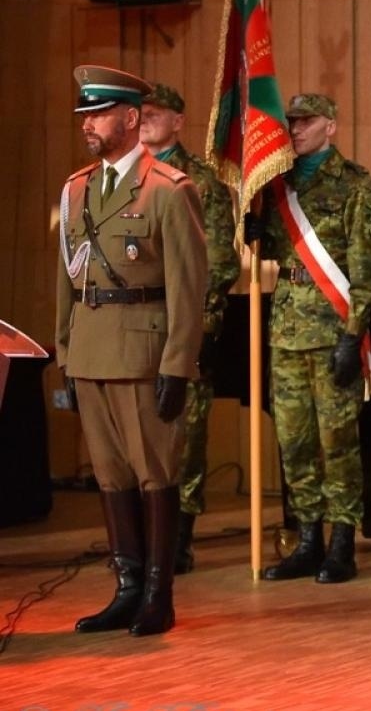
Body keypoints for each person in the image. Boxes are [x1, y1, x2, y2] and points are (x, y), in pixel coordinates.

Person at [56, 65, 207, 636]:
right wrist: (66, 355)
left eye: (96, 115)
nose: (88, 125)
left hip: (145, 354)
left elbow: (189, 286)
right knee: (110, 476)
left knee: (154, 473)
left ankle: (156, 595)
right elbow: (66, 284)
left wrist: (177, 363)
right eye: (83, 117)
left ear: (131, 119)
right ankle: (125, 586)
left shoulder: (169, 189)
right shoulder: (76, 191)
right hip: (92, 351)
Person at [252, 93, 371, 584]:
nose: (296, 129)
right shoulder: (277, 184)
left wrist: (354, 337)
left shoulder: (355, 186)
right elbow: (272, 252)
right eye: (292, 122)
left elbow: (368, 272)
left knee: (338, 443)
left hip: (332, 328)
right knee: (295, 442)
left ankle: (342, 544)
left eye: (306, 121)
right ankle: (307, 540)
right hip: (286, 329)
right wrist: (251, 222)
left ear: (330, 125)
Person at [139, 82, 240, 574]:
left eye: (158, 112)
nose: (147, 119)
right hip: (132, 329)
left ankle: (178, 537)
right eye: (142, 112)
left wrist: (180, 312)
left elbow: (220, 262)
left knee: (185, 435)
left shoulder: (199, 181)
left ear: (179, 121)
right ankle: (137, 536)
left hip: (184, 327)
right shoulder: (124, 176)